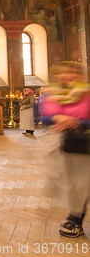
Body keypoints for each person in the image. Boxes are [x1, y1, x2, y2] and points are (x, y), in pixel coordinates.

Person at [41, 62, 90, 237]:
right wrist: (56, 117)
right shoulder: (51, 93)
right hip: (58, 143)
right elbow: (43, 117)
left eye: (73, 73)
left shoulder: (87, 93)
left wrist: (74, 122)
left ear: (80, 75)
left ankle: (75, 220)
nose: (68, 76)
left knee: (80, 181)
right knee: (66, 180)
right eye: (64, 73)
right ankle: (75, 214)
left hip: (82, 140)